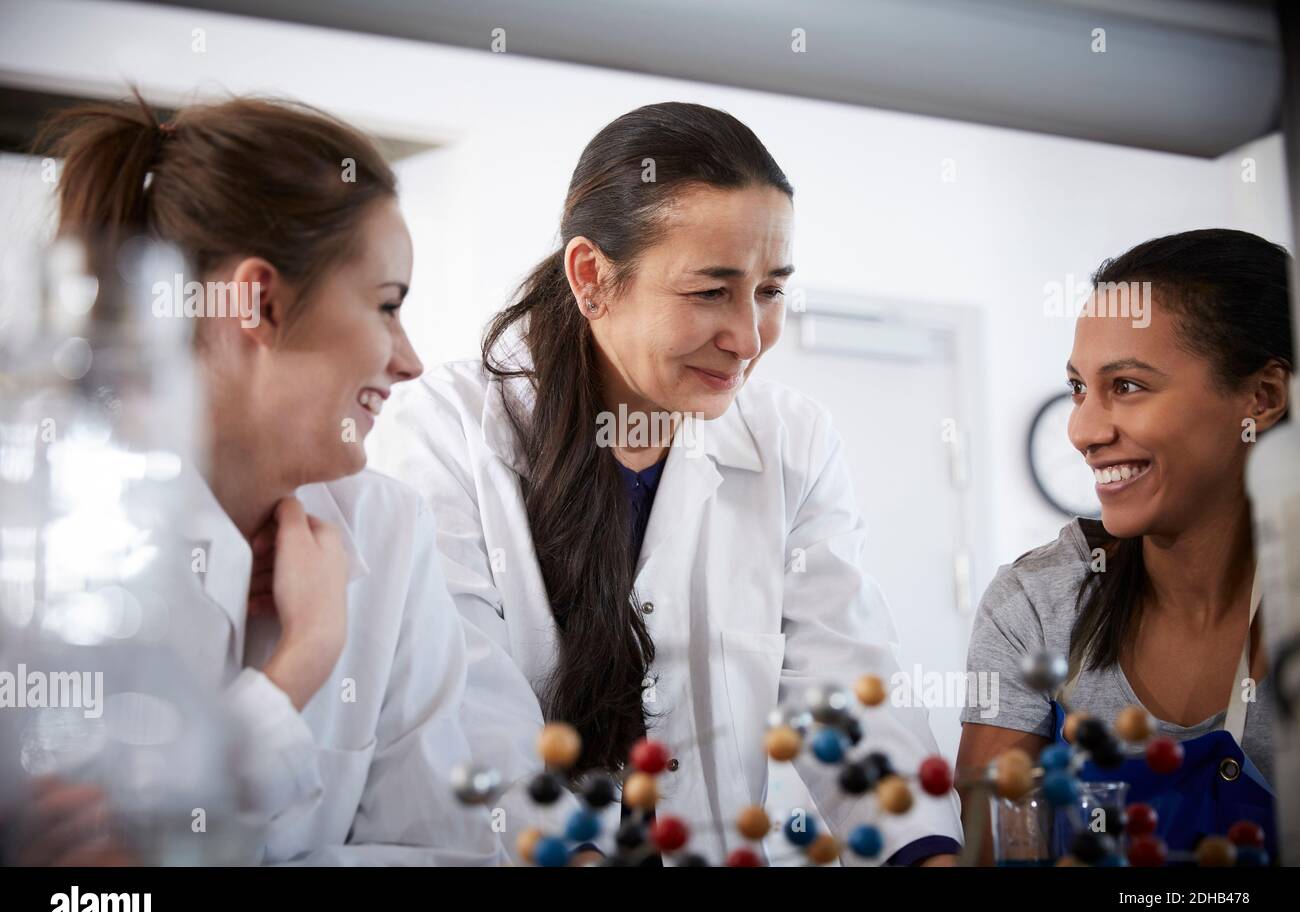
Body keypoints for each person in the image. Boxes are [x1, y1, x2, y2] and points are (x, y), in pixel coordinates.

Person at [389, 102, 962, 865]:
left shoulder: (793, 438)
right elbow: (466, 704)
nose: (748, 339)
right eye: (710, 292)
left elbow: (846, 679)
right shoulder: (443, 430)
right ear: (592, 277)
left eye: (770, 291)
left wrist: (923, 851)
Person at [18, 92, 541, 864]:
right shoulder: (40, 540)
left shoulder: (386, 529)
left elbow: (449, 849)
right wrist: (302, 662)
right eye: (386, 306)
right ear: (259, 301)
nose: (410, 359)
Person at [957, 229, 1291, 860]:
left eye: (1128, 386)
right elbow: (994, 845)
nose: (1082, 430)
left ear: (1262, 398)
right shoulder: (1037, 603)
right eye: (1079, 387)